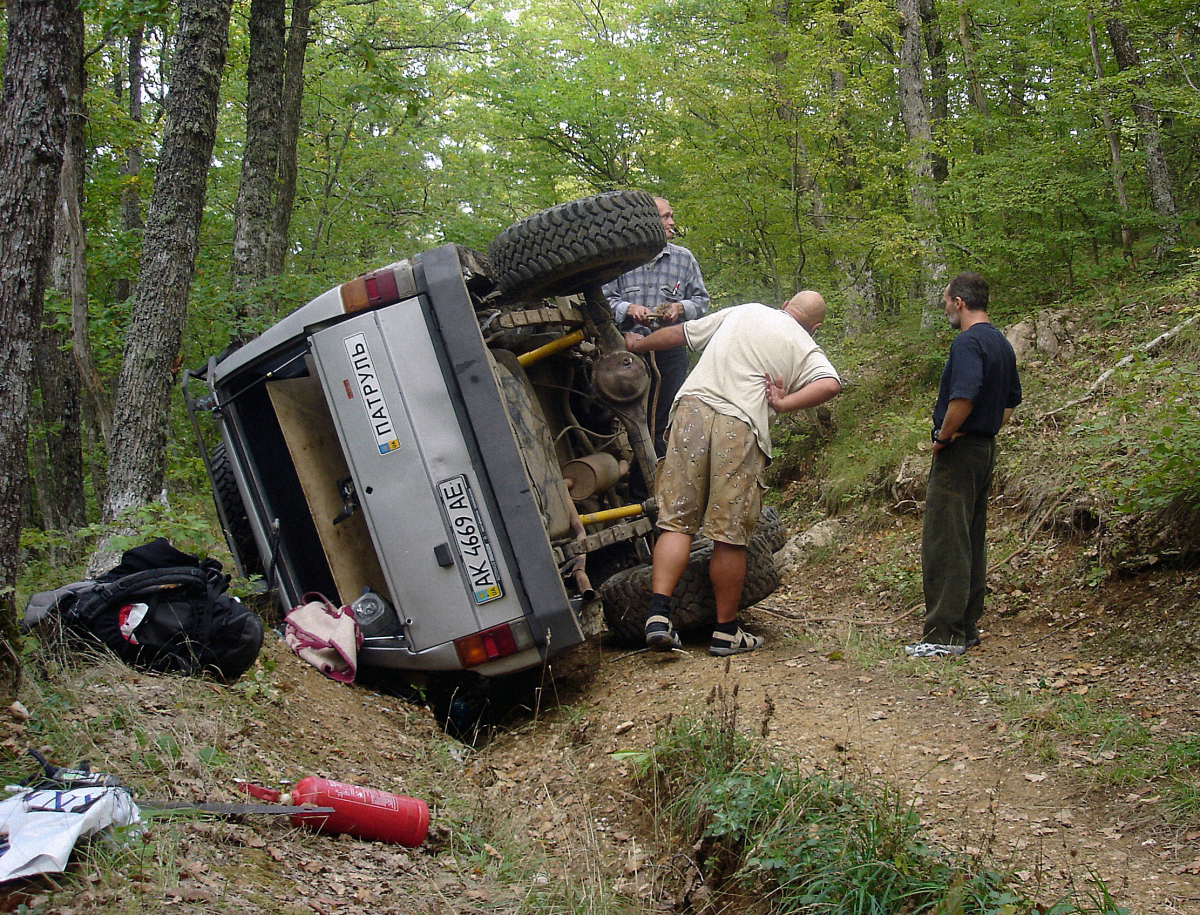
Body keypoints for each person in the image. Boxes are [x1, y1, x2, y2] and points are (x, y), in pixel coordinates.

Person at [624, 291, 842, 656]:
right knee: (729, 534)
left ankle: (659, 616)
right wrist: (784, 403)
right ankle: (725, 632)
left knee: (676, 521)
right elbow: (831, 383)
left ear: (786, 302)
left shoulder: (747, 310)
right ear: (816, 326)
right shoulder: (805, 345)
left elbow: (679, 334)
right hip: (739, 425)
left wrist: (638, 343)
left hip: (692, 410)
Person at [907, 272, 1022, 659]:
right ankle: (967, 626)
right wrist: (985, 429)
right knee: (971, 538)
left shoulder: (969, 343)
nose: (945, 309)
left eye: (945, 302)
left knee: (946, 540)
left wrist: (945, 436)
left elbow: (964, 395)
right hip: (985, 449)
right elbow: (1010, 401)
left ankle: (944, 634)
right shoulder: (1001, 342)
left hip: (960, 451)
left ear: (959, 301)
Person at [604, 197, 710, 467]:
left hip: (669, 352)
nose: (672, 222)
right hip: (627, 351)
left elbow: (701, 302)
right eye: (665, 217)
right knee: (631, 420)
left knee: (665, 420)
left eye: (671, 216)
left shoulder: (683, 258)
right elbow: (602, 300)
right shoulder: (619, 258)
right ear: (647, 221)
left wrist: (679, 308)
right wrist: (628, 310)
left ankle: (658, 486)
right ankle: (633, 486)